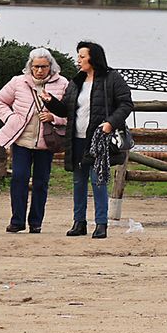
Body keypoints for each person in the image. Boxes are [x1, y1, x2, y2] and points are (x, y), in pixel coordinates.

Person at [45, 41, 133, 239]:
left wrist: (110, 123)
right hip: (76, 139)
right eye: (78, 56)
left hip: (100, 139)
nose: (78, 60)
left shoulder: (112, 78)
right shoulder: (76, 81)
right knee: (78, 180)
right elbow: (66, 110)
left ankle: (101, 224)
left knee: (98, 180)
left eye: (82, 57)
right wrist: (49, 101)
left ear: (93, 57)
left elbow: (126, 104)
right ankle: (79, 222)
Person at [0, 49, 70, 233]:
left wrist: (54, 118)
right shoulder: (18, 82)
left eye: (44, 66)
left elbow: (70, 112)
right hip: (21, 141)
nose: (40, 70)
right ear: (30, 66)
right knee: (19, 178)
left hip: (47, 143)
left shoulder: (63, 84)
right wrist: (10, 118)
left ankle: (36, 222)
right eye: (36, 66)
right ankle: (17, 221)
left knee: (41, 182)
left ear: (51, 66)